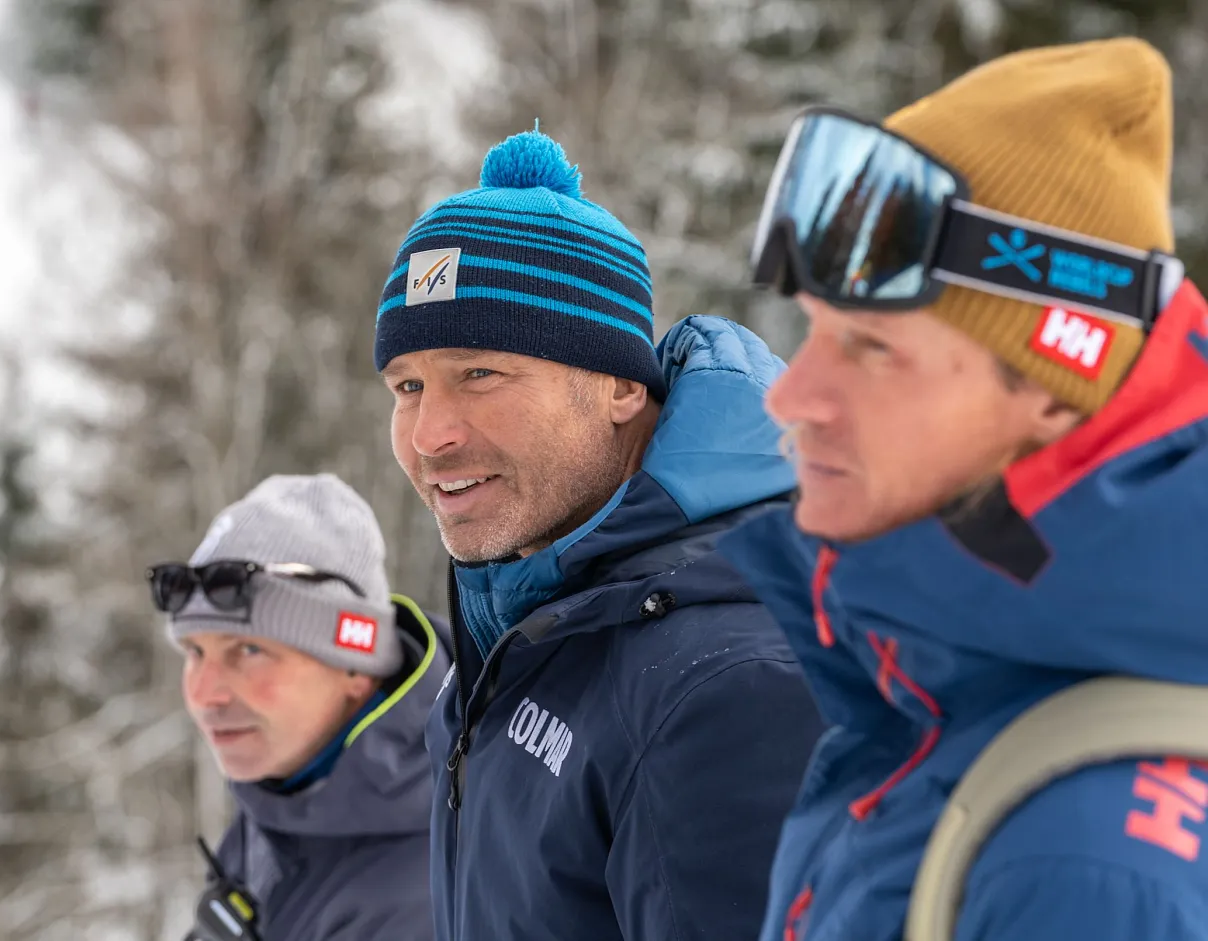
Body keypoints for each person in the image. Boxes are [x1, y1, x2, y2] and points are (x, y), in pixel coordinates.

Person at [720, 36, 1208, 941]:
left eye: (873, 348)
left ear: (1057, 391)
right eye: (814, 331)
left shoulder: (1086, 869)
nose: (790, 394)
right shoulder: (939, 686)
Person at [374, 127, 827, 941]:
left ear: (620, 383)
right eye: (408, 385)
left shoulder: (722, 687)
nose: (429, 433)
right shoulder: (517, 632)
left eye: (480, 373)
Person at [149, 474, 450, 941]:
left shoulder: (430, 889)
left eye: (248, 651)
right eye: (195, 652)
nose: (205, 694)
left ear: (354, 661)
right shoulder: (294, 784)